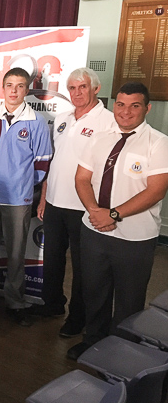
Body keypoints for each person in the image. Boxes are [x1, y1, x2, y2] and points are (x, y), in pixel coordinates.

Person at [67, 82, 168, 360]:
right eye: (121, 104)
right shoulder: (99, 138)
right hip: (94, 231)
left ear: (147, 108)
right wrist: (95, 211)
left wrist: (113, 214)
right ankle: (93, 342)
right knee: (94, 292)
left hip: (135, 238)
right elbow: (82, 178)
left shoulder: (158, 143)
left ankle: (121, 353)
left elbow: (156, 189)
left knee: (129, 300)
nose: (125, 112)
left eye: (135, 105)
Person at [29, 68, 116, 339]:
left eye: (82, 87)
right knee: (52, 260)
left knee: (82, 267)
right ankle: (52, 305)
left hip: (84, 207)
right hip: (55, 201)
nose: (77, 93)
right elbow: (54, 161)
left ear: (95, 89)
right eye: (72, 88)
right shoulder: (62, 118)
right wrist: (44, 196)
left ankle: (77, 318)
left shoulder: (109, 121)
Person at [0, 67, 52, 327]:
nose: (14, 91)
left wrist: (25, 185)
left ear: (27, 90)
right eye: (10, 85)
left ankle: (15, 301)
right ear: (2, 89)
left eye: (20, 86)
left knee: (16, 253)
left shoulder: (36, 122)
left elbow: (43, 161)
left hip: (19, 198)